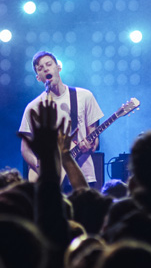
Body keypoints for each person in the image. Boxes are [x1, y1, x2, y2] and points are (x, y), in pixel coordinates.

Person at [20, 51, 103, 187]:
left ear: (58, 67)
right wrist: (40, 167)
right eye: (40, 68)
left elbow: (94, 141)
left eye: (49, 64)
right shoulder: (34, 107)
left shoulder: (84, 96)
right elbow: (25, 149)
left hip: (83, 176)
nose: (46, 69)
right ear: (38, 78)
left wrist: (90, 144)